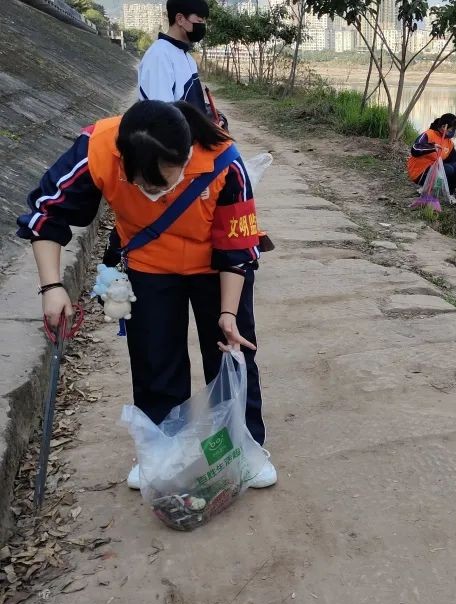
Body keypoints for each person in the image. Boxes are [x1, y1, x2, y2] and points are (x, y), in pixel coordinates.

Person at [17, 100, 277, 488]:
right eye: (144, 185)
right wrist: (52, 288)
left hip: (215, 267)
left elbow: (237, 250)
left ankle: (244, 443)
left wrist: (227, 314)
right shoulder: (97, 149)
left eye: (164, 182)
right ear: (123, 161)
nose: (155, 194)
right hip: (148, 265)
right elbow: (45, 212)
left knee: (228, 351)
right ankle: (162, 448)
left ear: (186, 155)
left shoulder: (224, 160)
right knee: (154, 356)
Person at [138, 0, 225, 126]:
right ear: (180, 19)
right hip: (174, 143)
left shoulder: (186, 56)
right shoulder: (159, 56)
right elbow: (163, 116)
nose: (203, 26)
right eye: (200, 21)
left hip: (192, 140)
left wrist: (212, 118)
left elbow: (191, 103)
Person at [407, 113, 456, 200]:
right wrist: (432, 147)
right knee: (448, 169)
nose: (453, 133)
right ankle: (428, 189)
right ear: (444, 127)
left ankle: (450, 192)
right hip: (420, 172)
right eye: (452, 130)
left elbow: (455, 164)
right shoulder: (428, 135)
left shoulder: (449, 143)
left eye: (454, 130)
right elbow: (415, 149)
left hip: (436, 171)